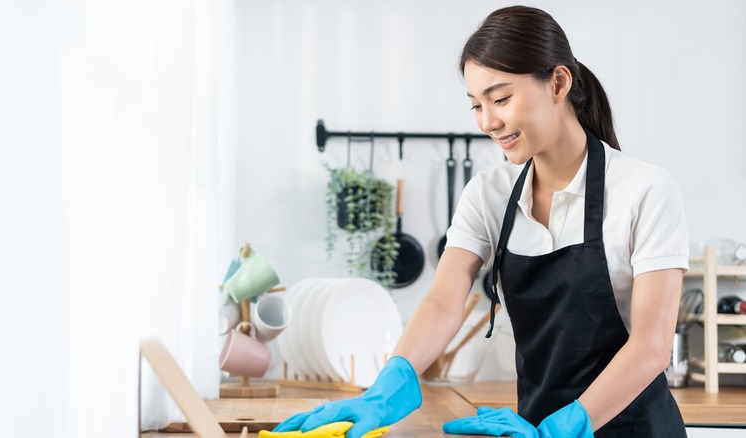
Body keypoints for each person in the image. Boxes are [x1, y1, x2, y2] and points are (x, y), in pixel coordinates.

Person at [275, 5, 688, 438]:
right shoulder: (489, 194)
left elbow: (651, 346)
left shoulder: (645, 190)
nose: (488, 122)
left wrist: (569, 426)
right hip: (532, 430)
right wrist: (389, 385)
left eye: (501, 98)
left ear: (559, 83)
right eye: (476, 105)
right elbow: (443, 301)